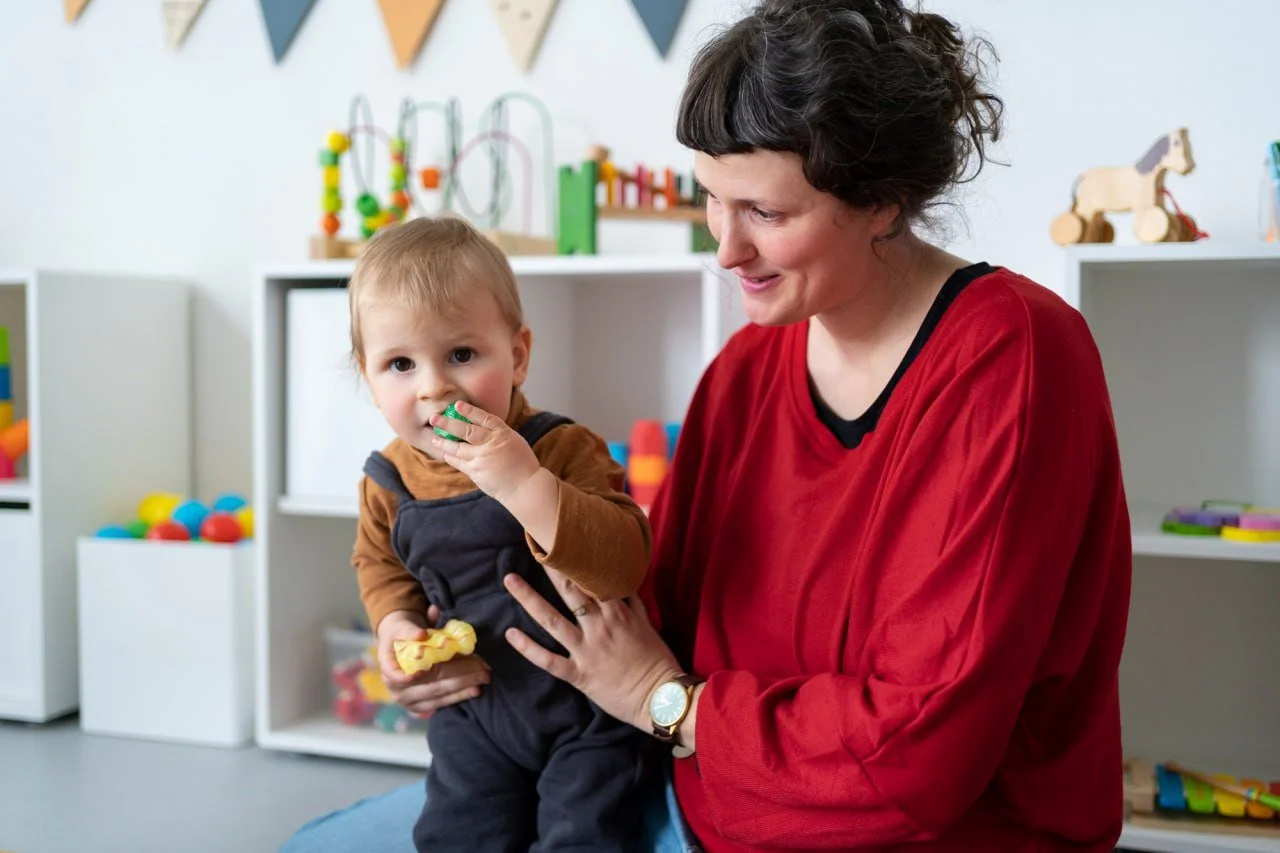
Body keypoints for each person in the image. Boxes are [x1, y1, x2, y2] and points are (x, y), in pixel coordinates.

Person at [282, 1, 1132, 851]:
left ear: (883, 201)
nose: (725, 249)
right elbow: (650, 608)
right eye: (710, 201)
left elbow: (915, 758)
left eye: (765, 212)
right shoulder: (745, 373)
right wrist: (435, 654)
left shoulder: (1014, 355)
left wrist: (667, 701)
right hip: (688, 791)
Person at [344, 215, 656, 852]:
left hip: (589, 708)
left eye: (461, 354)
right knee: (456, 836)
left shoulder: (561, 448)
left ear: (516, 355)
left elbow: (625, 564)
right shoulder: (388, 482)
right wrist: (394, 626)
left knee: (584, 835)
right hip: (477, 709)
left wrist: (524, 485)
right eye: (400, 364)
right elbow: (380, 567)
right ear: (369, 378)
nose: (433, 386)